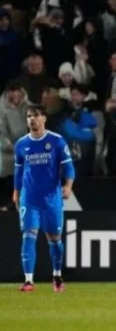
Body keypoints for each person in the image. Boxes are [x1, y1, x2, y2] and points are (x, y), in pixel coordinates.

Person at [13, 104, 76, 292]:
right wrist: (16, 192)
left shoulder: (56, 141)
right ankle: (28, 281)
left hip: (51, 198)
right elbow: (18, 171)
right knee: (28, 235)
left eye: (35, 115)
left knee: (54, 238)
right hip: (29, 198)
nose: (32, 119)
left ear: (44, 118)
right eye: (29, 116)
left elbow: (69, 166)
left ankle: (57, 275)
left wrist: (68, 186)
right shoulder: (21, 144)